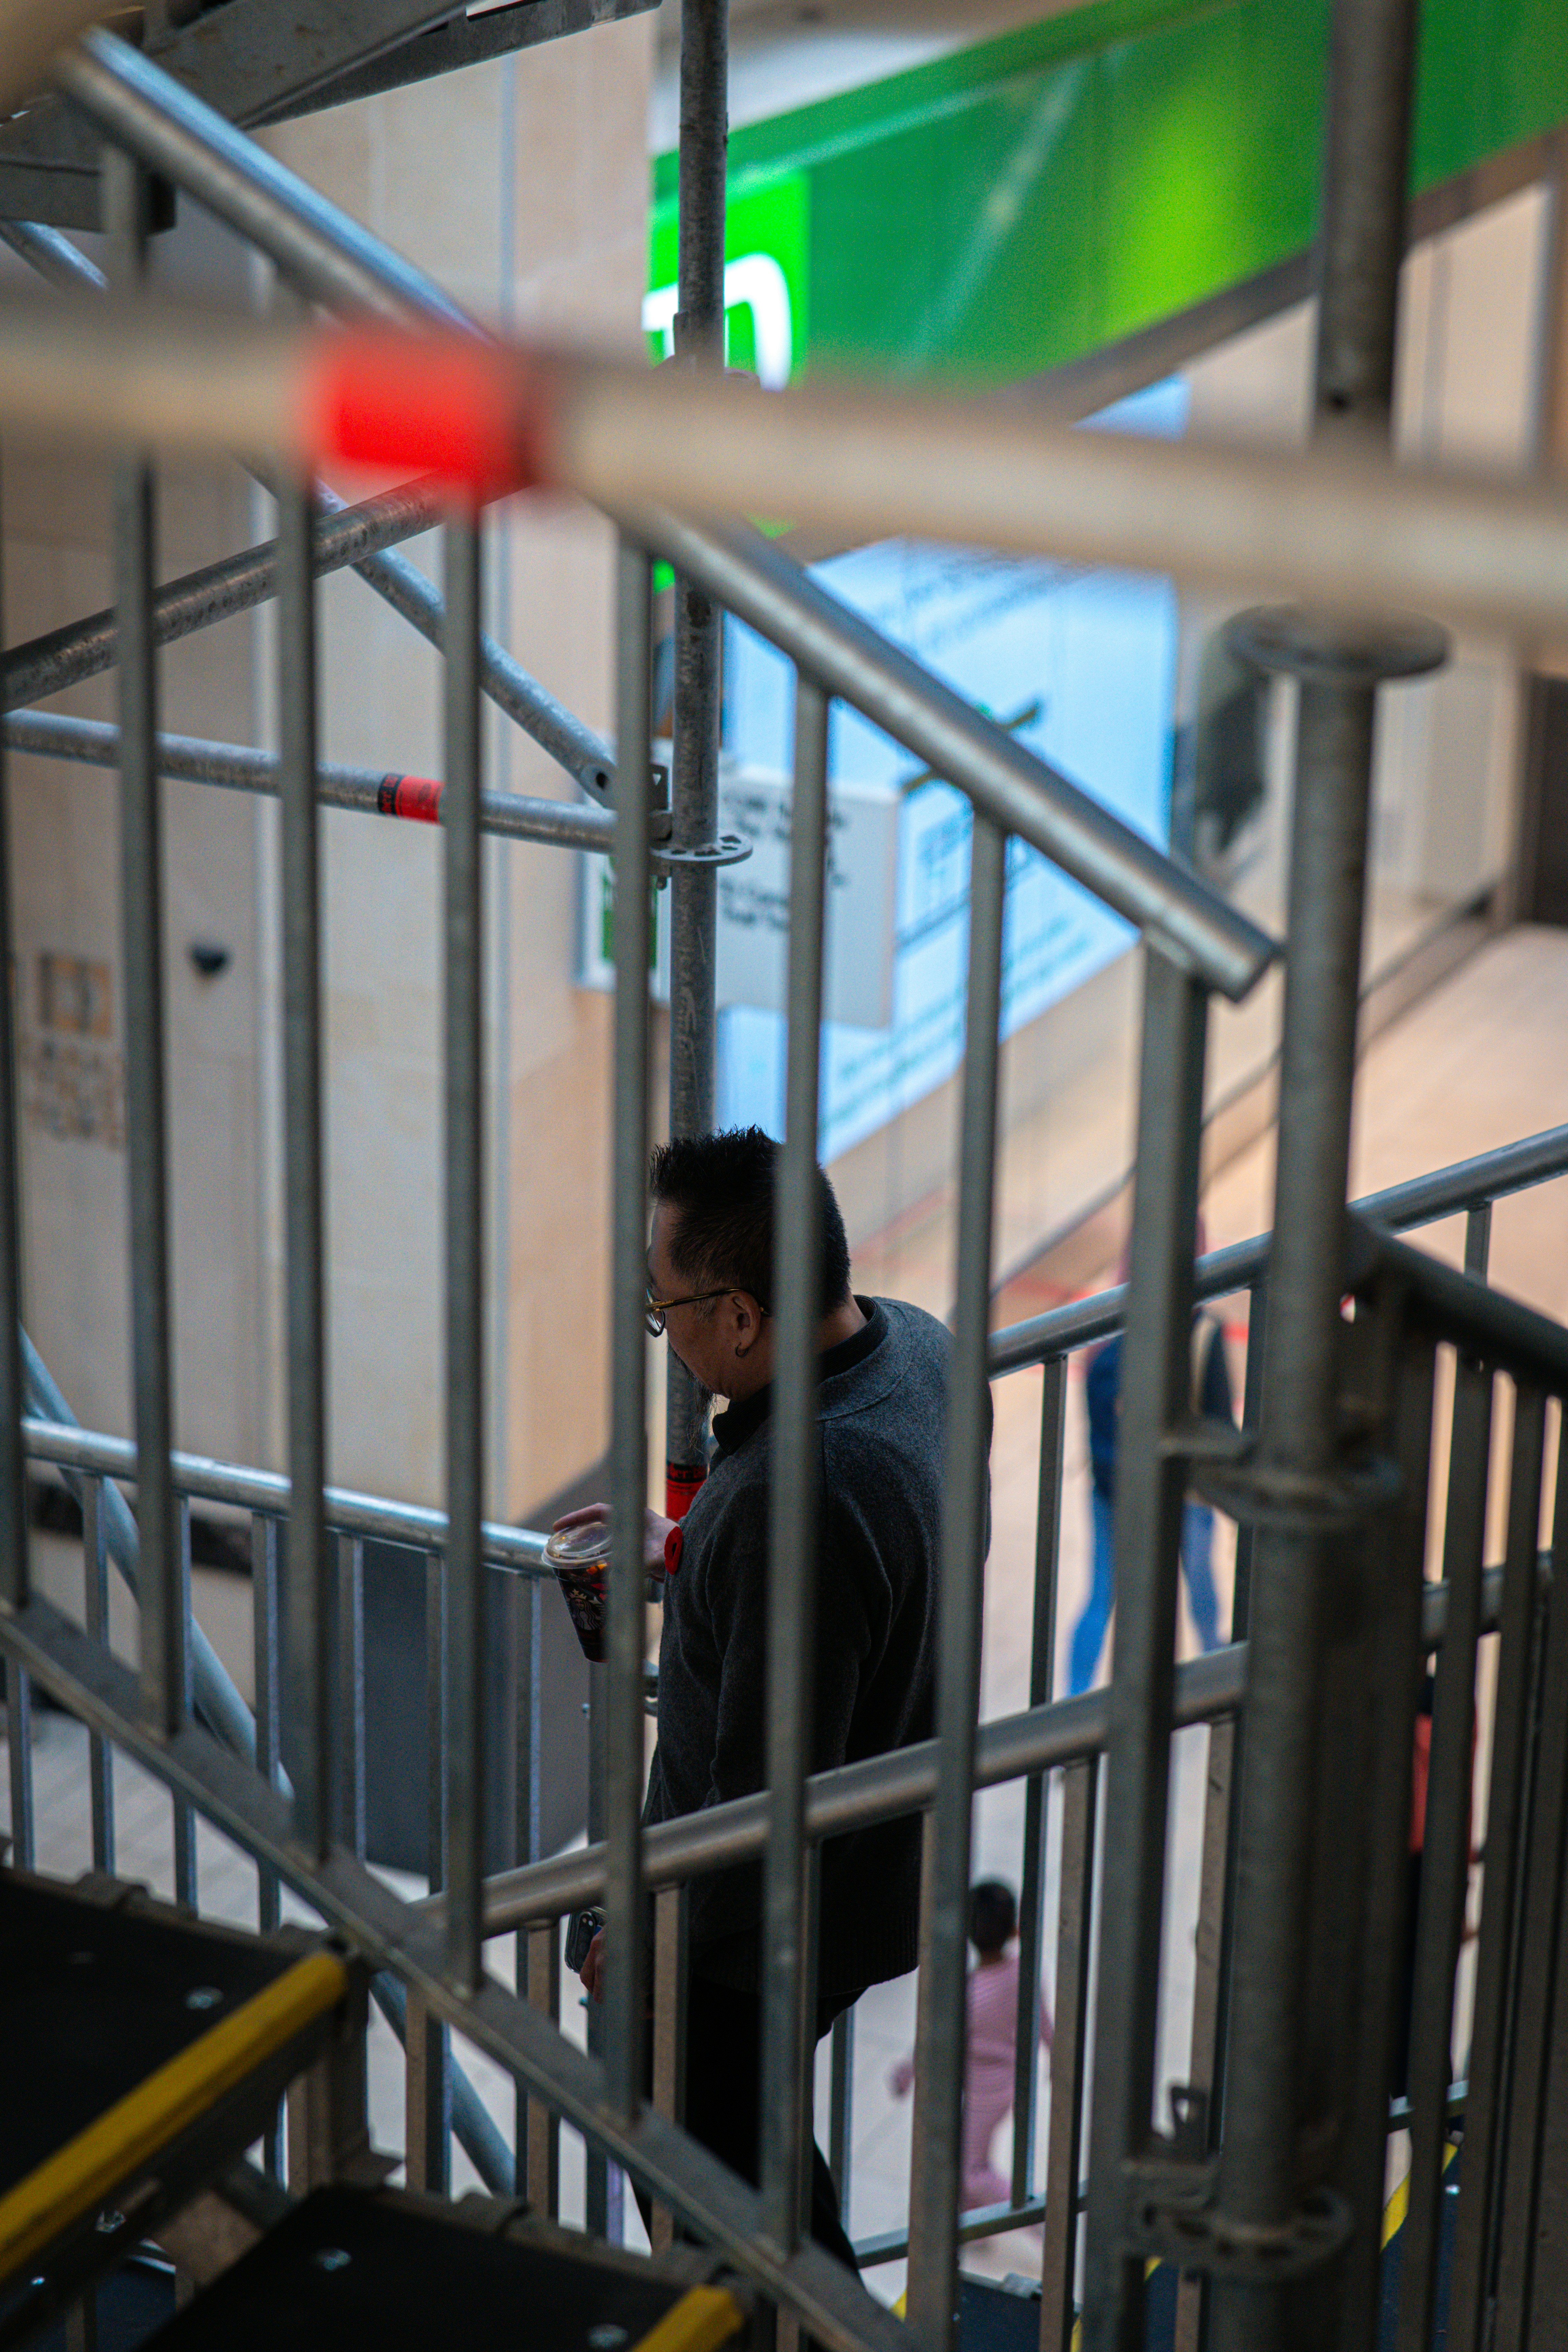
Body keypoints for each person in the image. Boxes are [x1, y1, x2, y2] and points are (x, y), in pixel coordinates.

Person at [556, 1126, 975, 2268]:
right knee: (758, 2165)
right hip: (875, 1860)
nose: (669, 1333)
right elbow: (852, 1590)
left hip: (751, 1926)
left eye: (668, 1309)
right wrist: (699, 1546)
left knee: (733, 2212)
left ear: (740, 1315)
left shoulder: (801, 1488)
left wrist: (647, 1929)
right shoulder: (923, 1353)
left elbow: (756, 1795)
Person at [1068, 1250, 1233, 1698]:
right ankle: (1218, 1685)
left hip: (1115, 1493)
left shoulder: (1106, 1342)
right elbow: (1222, 1427)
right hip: (1186, 1494)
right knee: (1200, 1591)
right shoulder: (1204, 1335)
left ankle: (1071, 1701)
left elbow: (1098, 1437)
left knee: (1102, 1596)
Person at [888, 1879, 1053, 2212]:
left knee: (970, 2171)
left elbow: (933, 2043)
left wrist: (907, 2074)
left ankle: (1037, 2217)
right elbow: (1044, 2023)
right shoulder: (1024, 1972)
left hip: (982, 2092)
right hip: (1009, 2082)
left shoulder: (966, 1994)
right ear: (1015, 1930)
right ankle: (972, 2230)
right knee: (967, 2153)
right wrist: (1059, 2061)